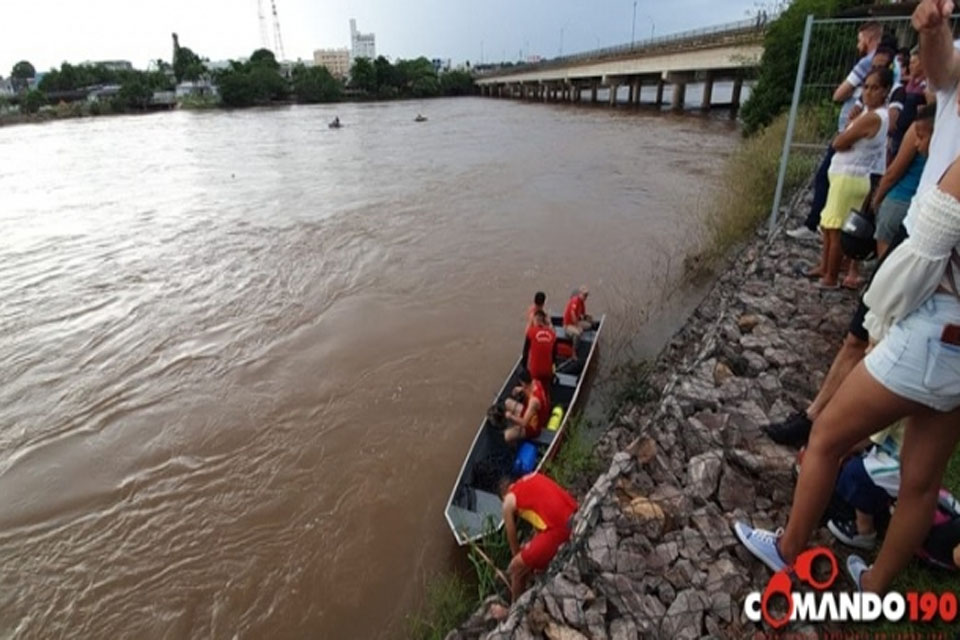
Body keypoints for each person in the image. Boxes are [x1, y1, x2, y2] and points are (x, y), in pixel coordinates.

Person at [736, 147, 960, 594]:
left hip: (932, 330)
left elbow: (925, 245)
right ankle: (875, 586)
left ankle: (787, 550)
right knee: (921, 483)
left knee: (825, 438)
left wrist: (883, 312)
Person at [763, 0, 960, 449]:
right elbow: (943, 69)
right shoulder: (944, 74)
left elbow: (851, 145)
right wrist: (932, 30)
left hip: (931, 243)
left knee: (874, 335)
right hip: (921, 229)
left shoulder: (880, 115)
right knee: (863, 330)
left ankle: (845, 440)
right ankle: (827, 423)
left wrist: (878, 195)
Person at [787, 21, 884, 241]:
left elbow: (839, 94)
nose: (858, 44)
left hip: (851, 132)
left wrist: (849, 95)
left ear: (868, 39)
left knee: (824, 177)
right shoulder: (885, 66)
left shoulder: (866, 64)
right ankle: (833, 229)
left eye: (859, 40)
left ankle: (816, 226)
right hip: (862, 135)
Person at [809, 67, 891, 289]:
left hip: (851, 178)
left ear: (885, 91)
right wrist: (845, 134)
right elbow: (843, 139)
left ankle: (830, 277)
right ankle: (824, 268)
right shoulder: (865, 114)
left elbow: (837, 143)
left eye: (874, 88)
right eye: (865, 87)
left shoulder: (874, 117)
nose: (868, 92)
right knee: (828, 225)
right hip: (843, 176)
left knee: (836, 230)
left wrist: (844, 138)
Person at [499, 471, 578, 600]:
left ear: (502, 495)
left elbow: (511, 535)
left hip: (561, 529)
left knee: (515, 567)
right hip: (575, 514)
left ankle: (515, 609)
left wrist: (519, 558)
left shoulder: (508, 500)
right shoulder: (532, 476)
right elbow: (541, 517)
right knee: (529, 552)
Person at [872, 104, 934, 256]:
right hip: (923, 209)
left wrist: (877, 198)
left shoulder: (921, 126)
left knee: (885, 262)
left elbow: (893, 171)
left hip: (899, 201)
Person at [503, 368, 549, 444]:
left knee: (506, 435)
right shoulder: (536, 382)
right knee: (507, 402)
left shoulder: (533, 401)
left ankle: (513, 446)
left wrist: (510, 416)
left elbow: (524, 423)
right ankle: (514, 426)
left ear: (523, 383)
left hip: (533, 426)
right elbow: (529, 389)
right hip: (530, 413)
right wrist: (521, 389)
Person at [524, 309, 557, 390]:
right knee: (546, 390)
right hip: (548, 371)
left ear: (535, 320)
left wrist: (525, 370)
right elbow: (554, 356)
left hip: (535, 372)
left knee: (534, 391)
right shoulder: (552, 334)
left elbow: (525, 353)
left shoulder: (531, 332)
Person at [562, 286, 593, 358]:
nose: (585, 297)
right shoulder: (575, 301)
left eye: (586, 295)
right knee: (578, 334)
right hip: (568, 324)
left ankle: (577, 334)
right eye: (584, 295)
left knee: (589, 325)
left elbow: (582, 315)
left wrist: (587, 317)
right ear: (580, 294)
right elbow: (572, 313)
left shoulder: (582, 303)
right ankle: (573, 352)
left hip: (576, 322)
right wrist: (577, 326)